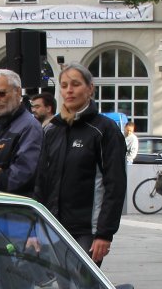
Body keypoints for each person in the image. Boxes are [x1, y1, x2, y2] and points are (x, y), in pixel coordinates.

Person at [32, 63, 125, 264]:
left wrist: (104, 233)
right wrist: (36, 226)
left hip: (87, 229)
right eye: (64, 85)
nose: (69, 90)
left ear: (90, 88)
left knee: (81, 283)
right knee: (60, 284)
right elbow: (41, 180)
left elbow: (115, 184)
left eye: (75, 84)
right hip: (53, 226)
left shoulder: (104, 129)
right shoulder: (52, 129)